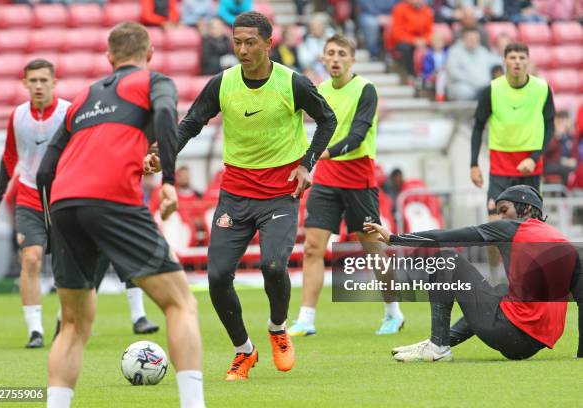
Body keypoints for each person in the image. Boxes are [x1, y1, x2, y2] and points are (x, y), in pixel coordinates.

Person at [36, 22, 204, 408]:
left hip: (62, 202)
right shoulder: (154, 81)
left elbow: (46, 170)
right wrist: (167, 180)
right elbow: (166, 115)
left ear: (109, 58)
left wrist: (52, 229)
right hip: (111, 199)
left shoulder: (81, 98)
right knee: (180, 304)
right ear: (148, 56)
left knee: (74, 325)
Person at [175, 11, 336, 380]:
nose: (242, 50)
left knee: (274, 267)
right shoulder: (223, 83)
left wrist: (307, 164)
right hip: (234, 193)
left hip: (280, 192)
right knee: (216, 276)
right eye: (237, 42)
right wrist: (164, 152)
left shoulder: (292, 83)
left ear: (268, 43)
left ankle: (278, 329)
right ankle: (243, 351)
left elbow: (327, 119)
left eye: (250, 42)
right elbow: (192, 122)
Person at [364, 185, 583, 362]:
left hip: (509, 332)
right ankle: (438, 340)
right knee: (499, 291)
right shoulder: (567, 246)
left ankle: (438, 346)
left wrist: (395, 238)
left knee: (445, 259)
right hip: (531, 347)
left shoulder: (513, 228)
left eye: (504, 210)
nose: (498, 218)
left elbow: (450, 236)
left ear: (525, 209)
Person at [289, 34, 404, 337]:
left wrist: (318, 155)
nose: (336, 58)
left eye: (342, 53)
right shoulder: (319, 90)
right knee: (313, 247)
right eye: (330, 53)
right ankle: (306, 318)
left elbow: (357, 136)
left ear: (352, 59)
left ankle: (394, 312)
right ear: (323, 59)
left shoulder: (366, 90)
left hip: (358, 178)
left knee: (371, 248)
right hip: (326, 179)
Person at [0, 59, 69, 349]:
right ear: (25, 84)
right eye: (33, 81)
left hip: (64, 196)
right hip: (30, 195)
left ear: (54, 82)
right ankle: (35, 330)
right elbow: (9, 158)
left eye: (44, 80)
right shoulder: (18, 116)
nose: (39, 86)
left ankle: (64, 321)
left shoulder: (68, 112)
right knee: (30, 258)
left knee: (67, 264)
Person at [470, 42, 555, 283]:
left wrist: (534, 157)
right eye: (512, 57)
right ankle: (497, 282)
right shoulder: (492, 90)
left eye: (521, 57)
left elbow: (550, 127)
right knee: (494, 224)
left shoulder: (541, 88)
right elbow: (477, 126)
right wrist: (473, 164)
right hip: (500, 164)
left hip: (530, 166)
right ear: (505, 61)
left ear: (527, 61)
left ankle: (529, 281)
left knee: (530, 230)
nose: (517, 61)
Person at [445, 28, 496, 101]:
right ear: (464, 39)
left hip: (482, 85)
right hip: (462, 85)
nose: (473, 41)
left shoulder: (483, 51)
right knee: (464, 91)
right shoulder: (454, 51)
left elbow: (489, 70)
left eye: (476, 39)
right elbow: (454, 73)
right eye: (470, 39)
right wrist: (474, 82)